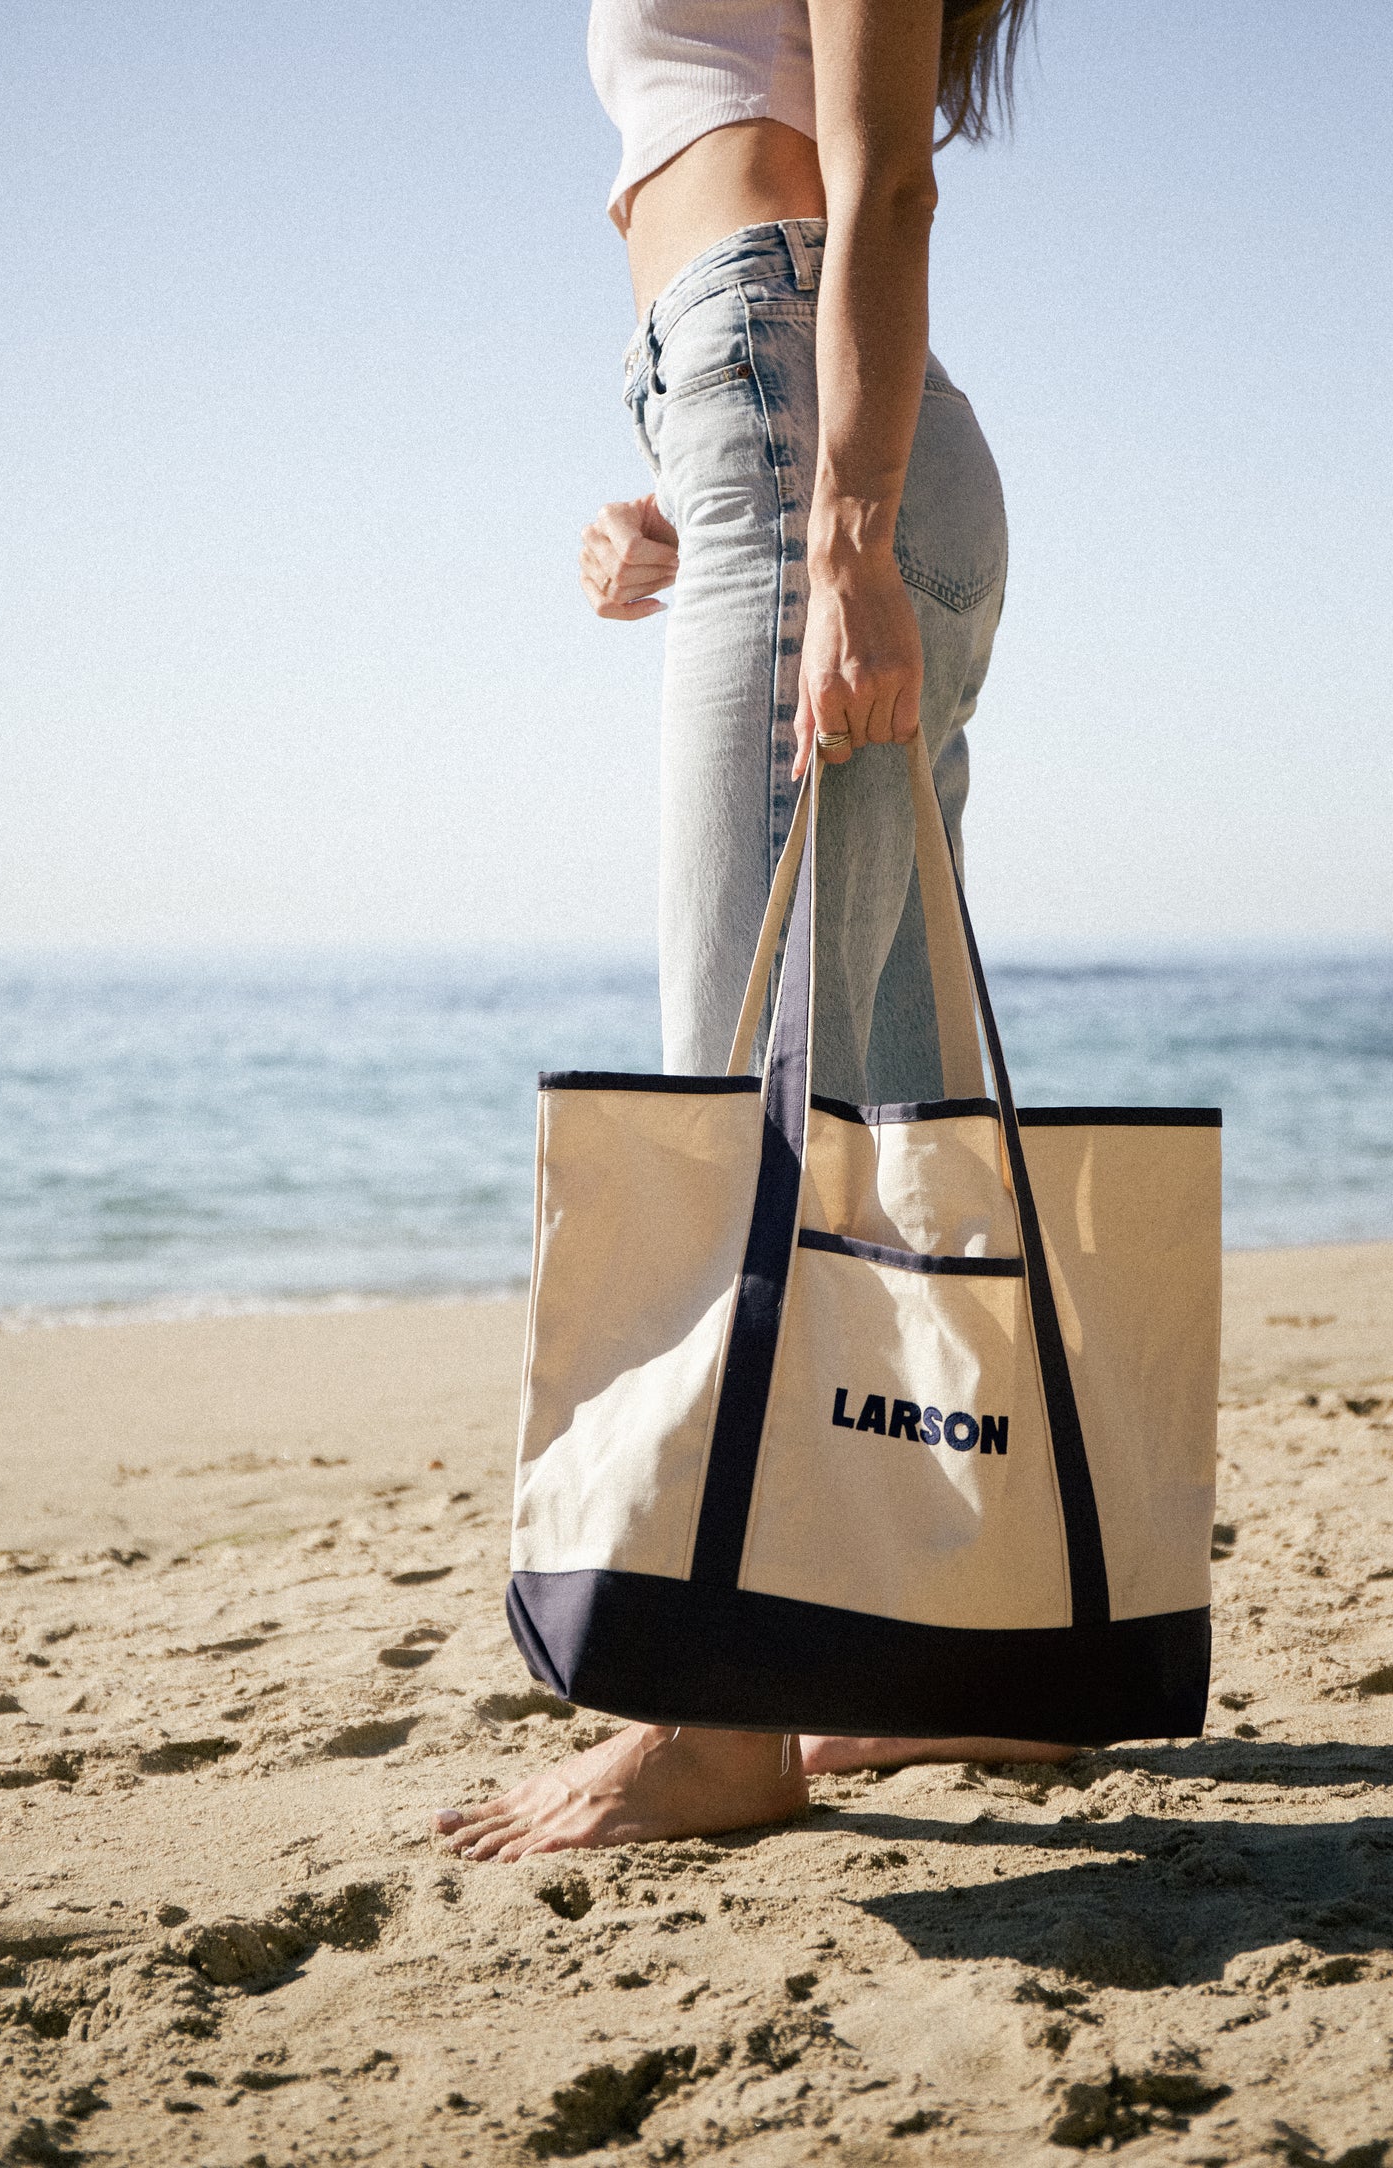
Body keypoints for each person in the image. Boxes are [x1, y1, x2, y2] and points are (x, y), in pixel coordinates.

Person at [435, 0, 1070, 1864]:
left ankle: (715, 1719)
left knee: (743, 1094)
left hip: (808, 418)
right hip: (773, 405)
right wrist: (692, 479)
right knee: (877, 1104)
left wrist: (832, 529)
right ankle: (950, 1650)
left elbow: (883, 186)